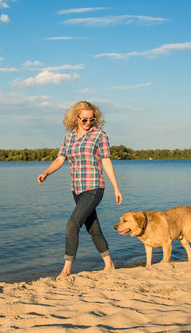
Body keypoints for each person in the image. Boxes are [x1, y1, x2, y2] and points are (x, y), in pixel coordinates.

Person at [37, 101, 123, 279]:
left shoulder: (99, 135)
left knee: (72, 225)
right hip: (76, 188)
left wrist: (116, 188)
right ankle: (109, 264)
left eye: (92, 119)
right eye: (84, 119)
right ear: (75, 118)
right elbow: (60, 159)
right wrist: (46, 173)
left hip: (94, 187)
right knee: (93, 228)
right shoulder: (68, 138)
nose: (88, 123)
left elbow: (106, 161)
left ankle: (66, 270)